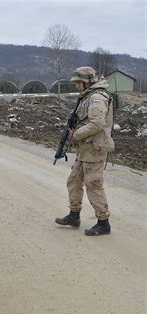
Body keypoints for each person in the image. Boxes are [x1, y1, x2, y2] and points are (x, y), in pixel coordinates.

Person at [55, 66, 115, 236]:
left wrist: (76, 135)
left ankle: (103, 223)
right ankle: (74, 216)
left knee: (93, 185)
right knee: (74, 181)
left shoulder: (97, 97)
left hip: (95, 148)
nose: (76, 86)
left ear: (87, 81)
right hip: (85, 148)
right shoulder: (87, 96)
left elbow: (97, 124)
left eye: (78, 82)